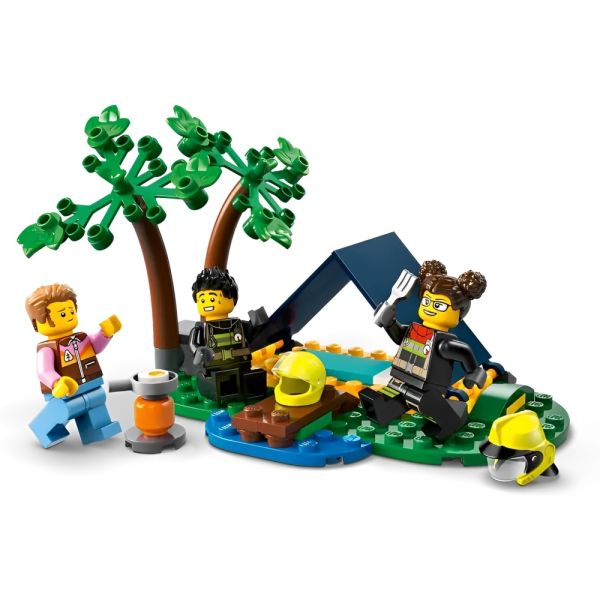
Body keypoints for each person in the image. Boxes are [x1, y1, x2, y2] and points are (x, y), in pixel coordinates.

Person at [360, 260, 487, 441]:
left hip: (428, 388)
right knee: (388, 398)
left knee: (427, 404)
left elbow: (464, 352)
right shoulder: (414, 330)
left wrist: (474, 372)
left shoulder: (445, 343)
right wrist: (390, 323)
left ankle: (450, 421)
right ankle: (380, 412)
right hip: (400, 379)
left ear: (459, 313)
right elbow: (399, 336)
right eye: (427, 301)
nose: (429, 307)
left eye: (439, 305)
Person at [26, 283, 122, 448]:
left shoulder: (81, 338)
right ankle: (43, 429)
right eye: (62, 314)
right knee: (66, 408)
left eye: (71, 312)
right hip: (65, 391)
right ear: (38, 322)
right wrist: (56, 382)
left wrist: (105, 333)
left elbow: (95, 347)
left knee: (97, 399)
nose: (69, 316)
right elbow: (43, 371)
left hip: (90, 383)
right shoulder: (47, 349)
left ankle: (97, 428)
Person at [187, 267, 267, 406]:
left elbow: (252, 334)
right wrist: (199, 351)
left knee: (252, 382)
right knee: (218, 385)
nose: (207, 304)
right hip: (215, 368)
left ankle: (249, 393)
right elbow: (193, 344)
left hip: (241, 364)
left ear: (232, 299)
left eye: (212, 298)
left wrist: (258, 321)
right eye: (202, 300)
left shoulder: (238, 324)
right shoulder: (201, 328)